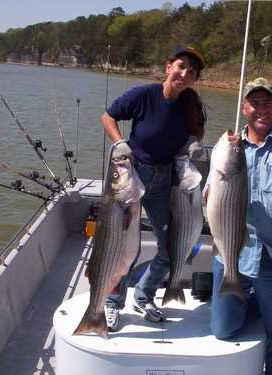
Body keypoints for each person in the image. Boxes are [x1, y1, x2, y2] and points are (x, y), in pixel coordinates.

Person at [204, 77, 272, 375]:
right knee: (223, 330)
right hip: (231, 253)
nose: (261, 109)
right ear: (244, 107)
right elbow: (211, 196)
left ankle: (271, 310)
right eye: (254, 103)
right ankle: (264, 307)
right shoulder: (228, 146)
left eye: (267, 103)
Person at [100, 47, 207, 330]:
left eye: (192, 72)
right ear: (168, 66)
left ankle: (144, 295)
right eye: (181, 66)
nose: (185, 74)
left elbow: (197, 130)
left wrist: (193, 143)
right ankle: (112, 303)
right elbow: (108, 117)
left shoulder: (190, 103)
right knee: (124, 248)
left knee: (170, 247)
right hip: (132, 176)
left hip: (166, 180)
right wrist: (119, 142)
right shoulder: (143, 95)